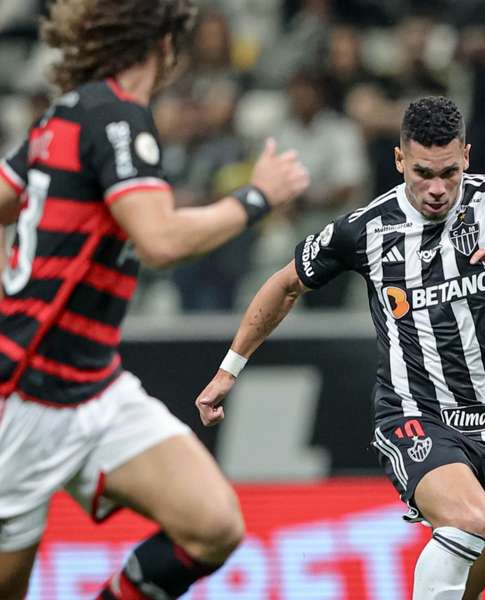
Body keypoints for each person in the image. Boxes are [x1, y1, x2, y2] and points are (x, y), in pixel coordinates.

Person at [195, 96, 485, 599]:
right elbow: (285, 285)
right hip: (415, 414)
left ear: (467, 156)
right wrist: (228, 370)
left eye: (449, 172)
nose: (436, 188)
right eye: (422, 173)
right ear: (398, 160)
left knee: (473, 573)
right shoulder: (365, 228)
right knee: (467, 517)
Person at [0, 1, 310, 598]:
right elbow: (161, 240)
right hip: (25, 399)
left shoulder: (61, 117)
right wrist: (257, 196)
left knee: (213, 524)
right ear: (163, 44)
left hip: (94, 387)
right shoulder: (118, 115)